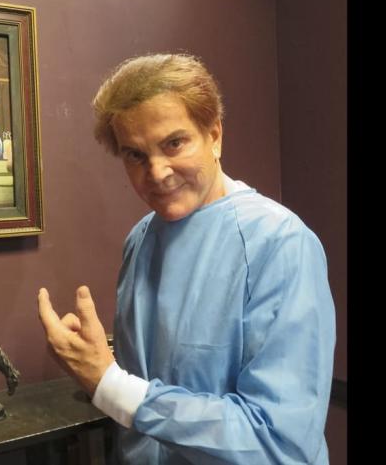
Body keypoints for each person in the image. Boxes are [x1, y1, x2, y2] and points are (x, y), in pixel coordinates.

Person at [37, 54, 336, 464]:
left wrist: (108, 383)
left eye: (174, 144)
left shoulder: (280, 244)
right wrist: (92, 360)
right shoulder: (140, 240)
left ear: (214, 135)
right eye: (135, 155)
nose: (157, 172)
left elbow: (277, 443)